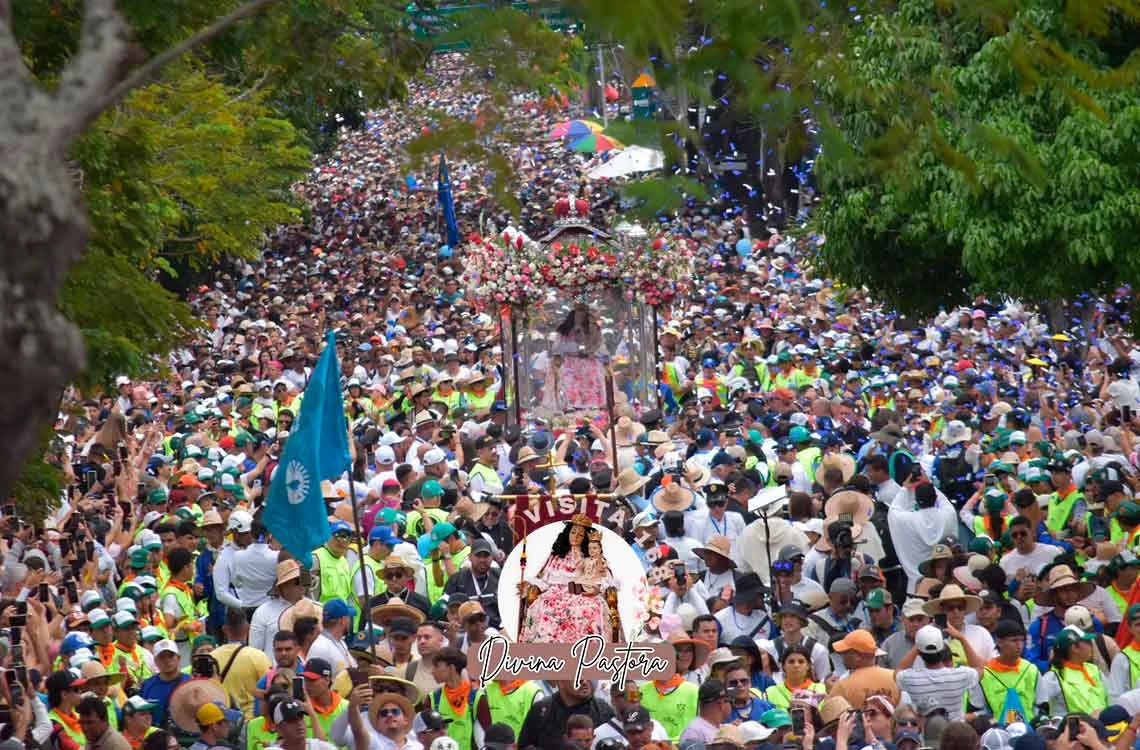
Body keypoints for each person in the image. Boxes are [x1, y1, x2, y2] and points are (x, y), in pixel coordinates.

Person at [518, 516, 615, 643]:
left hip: (582, 593)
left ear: (584, 539)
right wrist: (532, 585)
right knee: (547, 608)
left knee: (590, 609)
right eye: (573, 532)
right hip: (556, 592)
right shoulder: (556, 556)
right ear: (568, 533)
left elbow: (601, 579)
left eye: (580, 535)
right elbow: (544, 579)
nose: (575, 537)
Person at [894, 625, 982, 721]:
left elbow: (898, 672)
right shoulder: (960, 675)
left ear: (919, 652)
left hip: (927, 734)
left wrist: (920, 643)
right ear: (941, 649)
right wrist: (961, 638)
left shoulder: (911, 679)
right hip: (955, 733)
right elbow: (979, 669)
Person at [971, 619, 1040, 725]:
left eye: (1022, 640)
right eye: (1014, 640)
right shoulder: (985, 674)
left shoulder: (1031, 670)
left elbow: (1040, 706)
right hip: (996, 731)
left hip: (1028, 730)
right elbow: (979, 708)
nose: (1019, 645)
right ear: (999, 642)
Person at [211, 608, 273, 720]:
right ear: (248, 628)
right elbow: (269, 690)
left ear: (224, 629)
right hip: (250, 721)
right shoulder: (258, 657)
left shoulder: (211, 657)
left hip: (221, 721)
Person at [1034, 626, 1110, 717]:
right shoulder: (1053, 677)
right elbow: (1039, 707)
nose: (1092, 645)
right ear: (1075, 648)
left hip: (1104, 727)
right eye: (1088, 642)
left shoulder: (1094, 670)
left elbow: (1110, 697)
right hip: (1074, 729)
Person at [517, 680, 614, 750]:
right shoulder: (542, 710)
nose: (584, 681)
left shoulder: (603, 710)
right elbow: (524, 746)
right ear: (561, 682)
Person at [827, 630, 901, 708]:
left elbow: (828, 715)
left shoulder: (842, 686)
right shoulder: (896, 677)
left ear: (857, 657)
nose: (842, 656)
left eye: (845, 653)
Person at [139, 640, 192, 729]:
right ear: (155, 661)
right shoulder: (147, 685)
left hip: (184, 738)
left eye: (171, 656)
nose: (167, 660)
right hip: (156, 737)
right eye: (162, 657)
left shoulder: (190, 683)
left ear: (178, 658)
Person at [678, 679, 731, 744]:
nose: (731, 705)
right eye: (729, 700)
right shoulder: (694, 732)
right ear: (721, 704)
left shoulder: (718, 727)